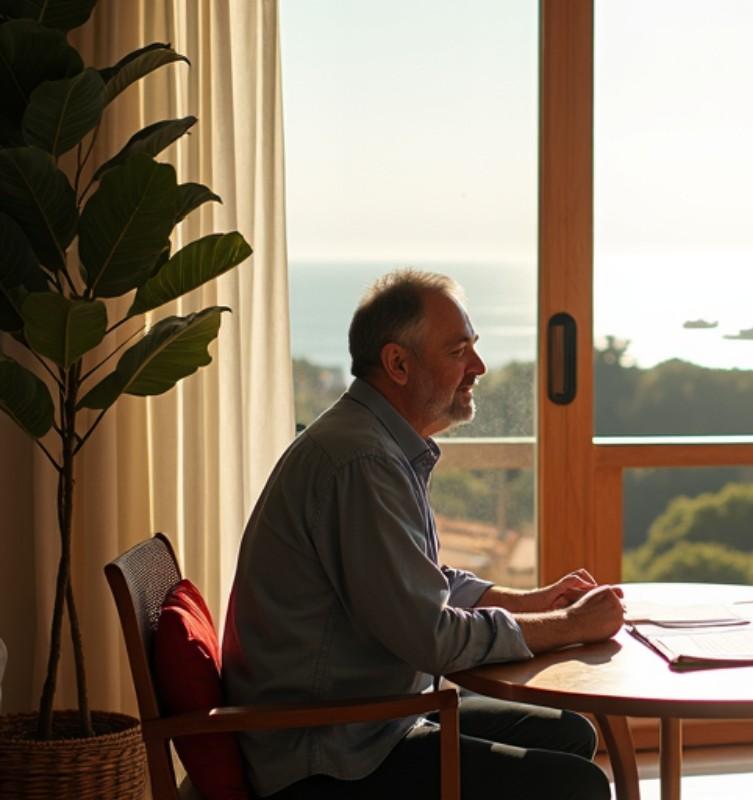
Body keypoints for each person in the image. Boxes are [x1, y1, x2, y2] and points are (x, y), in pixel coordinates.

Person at [223, 270, 621, 799]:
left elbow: (420, 582)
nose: (478, 367)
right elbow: (432, 637)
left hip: (364, 723)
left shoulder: (373, 442)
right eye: (459, 351)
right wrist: (567, 623)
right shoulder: (362, 461)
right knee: (577, 785)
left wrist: (531, 602)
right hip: (328, 755)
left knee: (570, 732)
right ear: (397, 364)